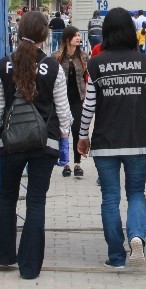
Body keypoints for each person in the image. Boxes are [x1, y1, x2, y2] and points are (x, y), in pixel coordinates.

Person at [0, 11, 73, 279]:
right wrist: (64, 141)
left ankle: (2, 256)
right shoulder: (54, 67)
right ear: (45, 35)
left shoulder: (3, 65)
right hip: (43, 143)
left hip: (10, 142)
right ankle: (29, 267)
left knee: (7, 197)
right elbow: (63, 109)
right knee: (36, 202)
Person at [78, 8, 146, 269]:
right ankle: (136, 236)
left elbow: (89, 105)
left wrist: (82, 137)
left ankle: (116, 257)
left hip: (105, 140)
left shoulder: (95, 64)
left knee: (110, 197)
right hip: (137, 137)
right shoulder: (145, 62)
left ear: (106, 33)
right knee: (136, 192)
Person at [56, 25, 87, 179]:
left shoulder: (83, 57)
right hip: (61, 99)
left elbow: (87, 78)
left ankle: (77, 163)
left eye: (79, 35)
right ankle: (65, 162)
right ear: (67, 38)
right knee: (63, 131)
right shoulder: (56, 57)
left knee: (76, 129)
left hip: (78, 100)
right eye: (75, 35)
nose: (78, 38)